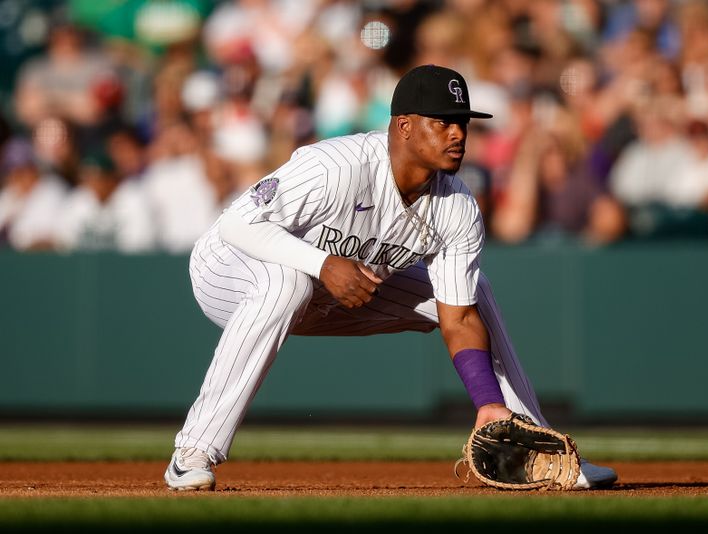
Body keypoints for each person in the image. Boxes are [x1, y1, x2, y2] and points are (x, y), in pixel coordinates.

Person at [164, 65, 618, 491]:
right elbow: (236, 225)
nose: (458, 133)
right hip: (227, 271)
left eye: (463, 123)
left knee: (474, 292)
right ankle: (194, 451)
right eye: (442, 122)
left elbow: (457, 317)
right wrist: (322, 264)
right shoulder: (336, 167)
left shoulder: (456, 206)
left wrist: (485, 400)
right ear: (403, 126)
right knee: (287, 283)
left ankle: (527, 444)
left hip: (333, 292)